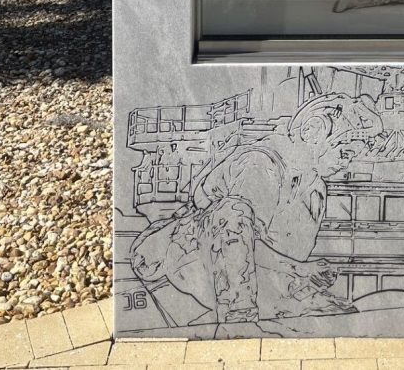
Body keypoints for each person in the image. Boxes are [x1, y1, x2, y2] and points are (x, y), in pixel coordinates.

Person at [128, 94, 382, 329]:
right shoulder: (261, 162)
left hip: (258, 272)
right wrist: (299, 271)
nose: (346, 163)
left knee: (335, 310)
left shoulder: (316, 189)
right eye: (344, 152)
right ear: (313, 131)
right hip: (184, 255)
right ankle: (238, 321)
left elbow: (288, 252)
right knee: (233, 212)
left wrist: (299, 277)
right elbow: (237, 236)